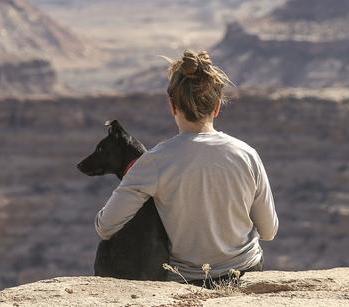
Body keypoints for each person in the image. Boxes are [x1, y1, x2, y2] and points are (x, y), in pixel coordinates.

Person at [94, 49, 278, 285]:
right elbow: (269, 231)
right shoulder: (247, 155)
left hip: (187, 280)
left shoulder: (154, 161)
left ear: (172, 106)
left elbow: (105, 227)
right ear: (217, 107)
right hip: (245, 272)